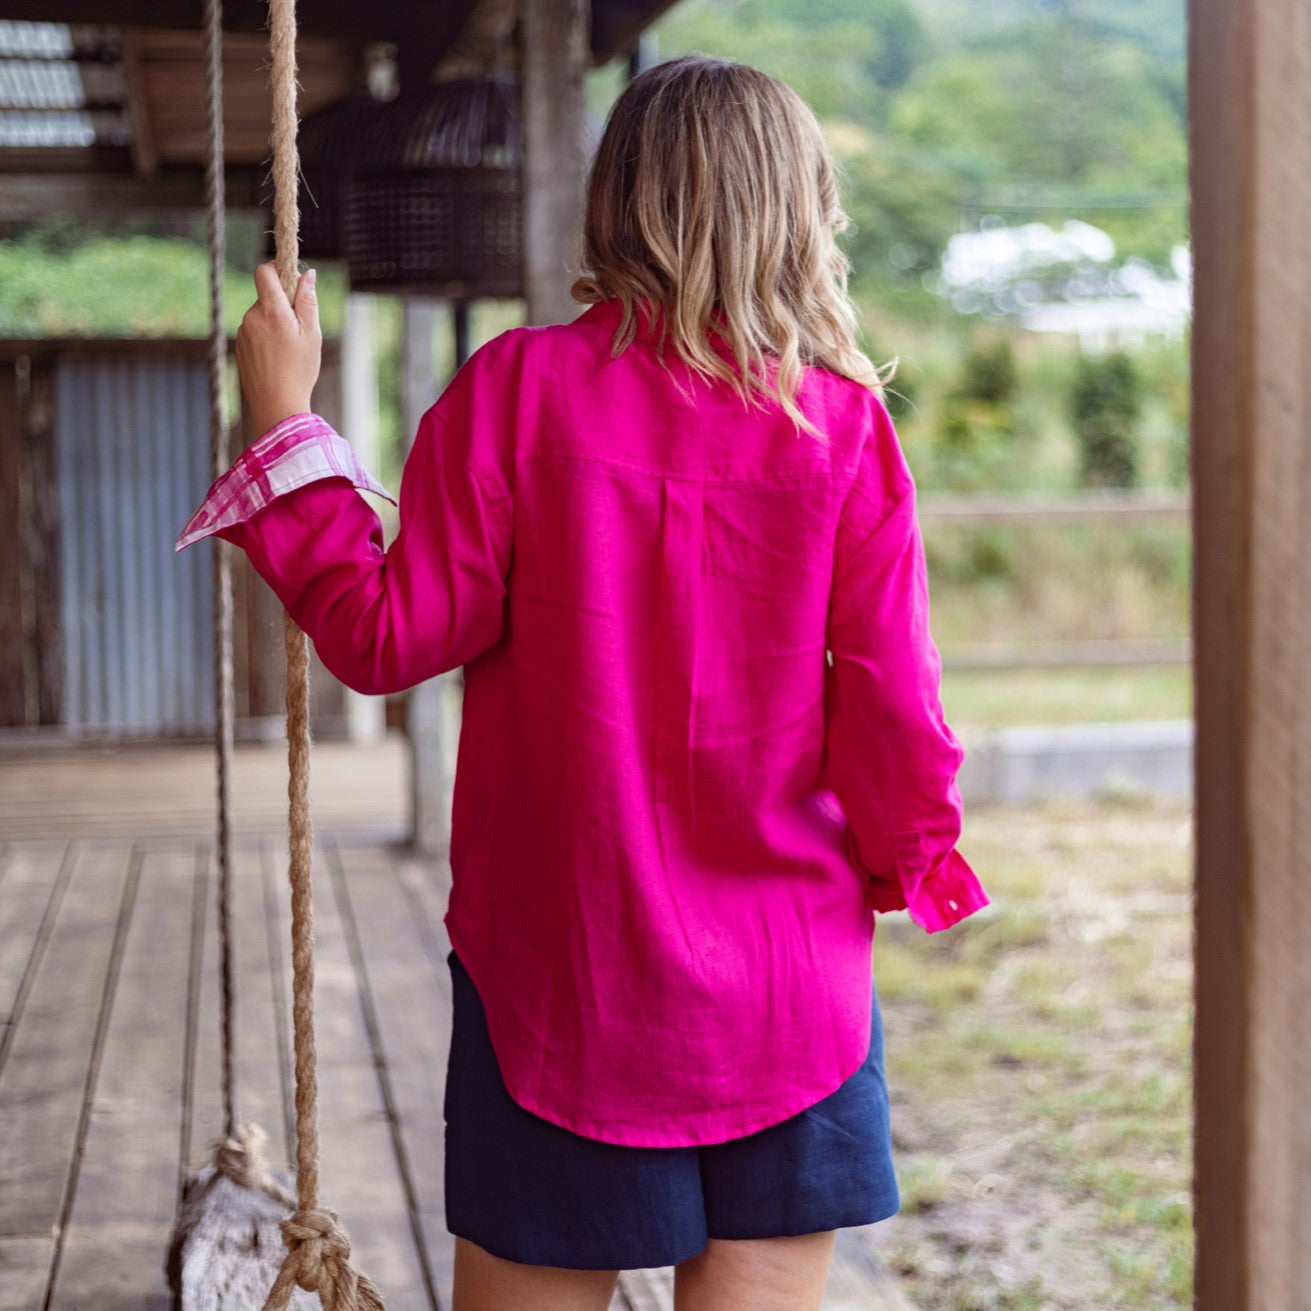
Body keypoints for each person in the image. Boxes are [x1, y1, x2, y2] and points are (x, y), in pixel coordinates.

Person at [178, 54, 989, 1311]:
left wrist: (288, 421)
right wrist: (906, 861)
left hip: (564, 979)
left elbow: (386, 637)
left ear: (614, 203)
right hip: (789, 987)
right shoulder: (843, 429)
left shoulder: (517, 393)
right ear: (801, 208)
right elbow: (897, 717)